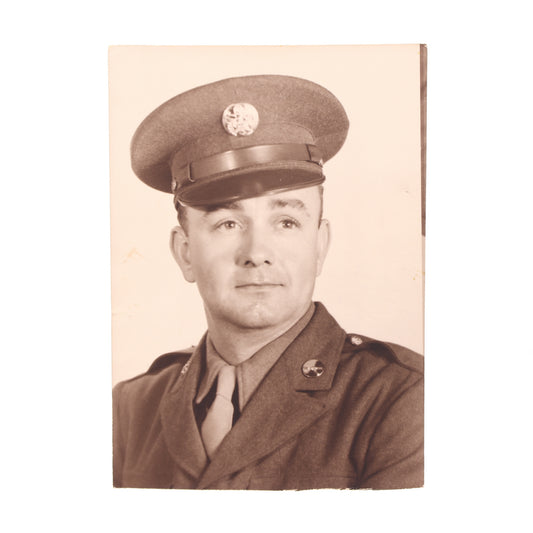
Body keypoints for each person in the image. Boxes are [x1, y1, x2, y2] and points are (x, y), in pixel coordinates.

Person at [112, 74, 424, 490]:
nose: (257, 251)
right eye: (227, 223)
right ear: (185, 252)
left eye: (287, 221)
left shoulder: (402, 399)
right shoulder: (130, 410)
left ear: (320, 246)